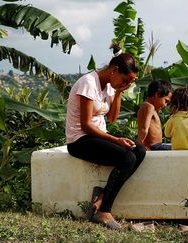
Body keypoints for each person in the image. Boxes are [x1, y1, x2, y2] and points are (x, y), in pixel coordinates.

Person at [65, 44, 146, 230]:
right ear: (115, 70)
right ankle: (104, 211)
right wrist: (115, 140)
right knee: (127, 157)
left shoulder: (109, 86)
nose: (125, 85)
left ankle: (101, 198)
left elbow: (111, 118)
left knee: (139, 150)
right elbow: (86, 125)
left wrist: (119, 92)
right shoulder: (88, 83)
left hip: (97, 136)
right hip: (79, 140)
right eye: (125, 80)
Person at [137, 79, 173, 150]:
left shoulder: (147, 106)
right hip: (154, 146)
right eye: (165, 101)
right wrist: (139, 146)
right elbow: (144, 128)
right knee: (180, 148)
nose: (165, 105)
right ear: (157, 94)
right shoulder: (149, 107)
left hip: (157, 145)